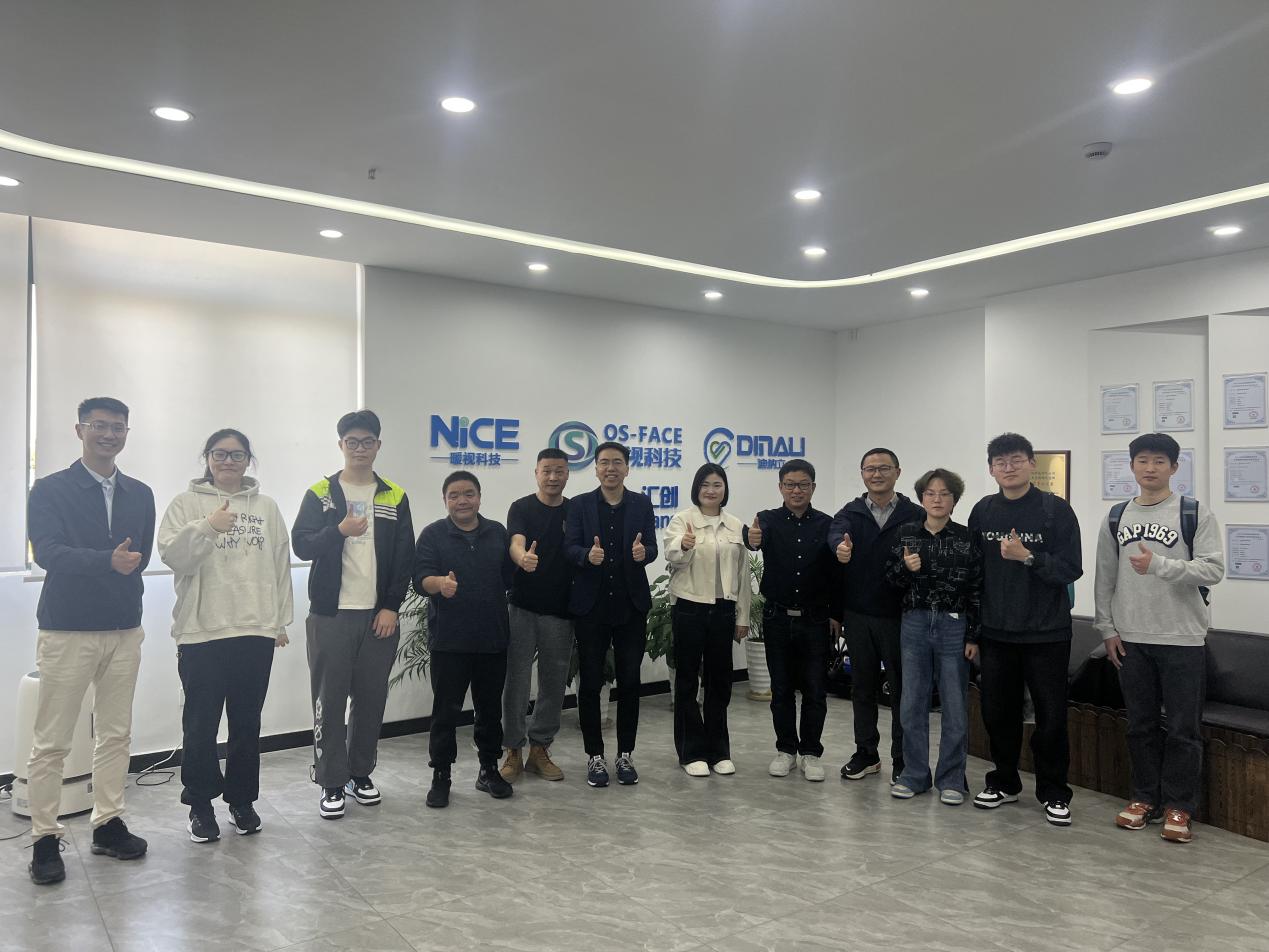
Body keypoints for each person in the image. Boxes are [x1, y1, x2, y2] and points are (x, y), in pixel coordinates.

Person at [26, 397, 155, 885]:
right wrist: (106, 561)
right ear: (80, 429)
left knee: (116, 733)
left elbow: (140, 557)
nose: (109, 434)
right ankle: (44, 837)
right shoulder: (50, 489)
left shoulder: (140, 493)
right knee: (52, 740)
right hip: (67, 628)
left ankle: (108, 822)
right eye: (99, 425)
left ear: (126, 433)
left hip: (124, 628)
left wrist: (117, 566)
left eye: (118, 427)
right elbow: (48, 553)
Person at [158, 429, 293, 842]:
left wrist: (278, 622)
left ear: (248, 460)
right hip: (201, 632)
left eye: (237, 455)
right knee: (200, 726)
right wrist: (208, 526)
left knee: (247, 724)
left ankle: (242, 801)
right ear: (208, 458)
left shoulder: (266, 507)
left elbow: (280, 565)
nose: (228, 461)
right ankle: (200, 806)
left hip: (254, 630)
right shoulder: (185, 504)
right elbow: (174, 557)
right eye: (220, 454)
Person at [1095, 433, 1224, 844]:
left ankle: (1179, 806)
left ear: (1174, 467)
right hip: (1131, 638)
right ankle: (1144, 798)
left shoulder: (1193, 512)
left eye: (1159, 461)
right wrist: (1107, 629)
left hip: (1182, 637)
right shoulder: (1116, 516)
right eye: (1142, 460)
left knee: (1184, 729)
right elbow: (1105, 577)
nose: (1150, 468)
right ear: (1132, 466)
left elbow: (1213, 570)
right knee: (1141, 726)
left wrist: (1161, 565)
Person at [292, 409, 414, 820]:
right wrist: (339, 531)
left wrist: (391, 606)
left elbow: (405, 557)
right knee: (328, 700)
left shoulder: (394, 496)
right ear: (341, 445)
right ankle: (330, 779)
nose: (359, 449)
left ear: (378, 445)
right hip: (331, 616)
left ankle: (360, 773)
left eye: (367, 442)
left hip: (379, 617)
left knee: (371, 699)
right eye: (352, 442)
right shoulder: (321, 494)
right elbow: (302, 545)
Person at [968, 432, 1082, 826]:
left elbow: (1071, 568)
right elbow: (975, 572)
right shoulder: (983, 512)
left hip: (1046, 633)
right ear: (991, 469)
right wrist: (973, 630)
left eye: (1016, 459)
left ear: (1032, 463)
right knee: (998, 714)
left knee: (1051, 717)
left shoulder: (1055, 510)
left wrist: (1028, 556)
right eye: (1000, 462)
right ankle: (1003, 782)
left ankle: (1054, 792)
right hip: (996, 632)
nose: (1009, 467)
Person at [415, 471, 516, 807]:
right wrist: (439, 584)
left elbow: (509, 578)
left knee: (489, 709)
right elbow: (420, 579)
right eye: (454, 495)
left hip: (492, 638)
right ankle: (441, 774)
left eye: (469, 494)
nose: (462, 501)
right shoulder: (433, 534)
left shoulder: (497, 532)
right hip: (450, 640)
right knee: (445, 712)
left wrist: (526, 562)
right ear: (445, 500)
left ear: (479, 497)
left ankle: (488, 769)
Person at [564, 441, 658, 788]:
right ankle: (595, 756)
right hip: (592, 608)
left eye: (617, 462)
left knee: (630, 682)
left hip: (631, 606)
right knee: (590, 683)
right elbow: (568, 548)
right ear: (596, 468)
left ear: (627, 468)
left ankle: (625, 755)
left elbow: (652, 546)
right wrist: (585, 556)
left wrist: (644, 554)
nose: (610, 468)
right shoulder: (579, 505)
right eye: (604, 462)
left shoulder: (641, 503)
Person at [884, 469, 982, 804]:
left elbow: (977, 588)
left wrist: (973, 635)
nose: (937, 499)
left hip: (954, 624)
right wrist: (905, 568)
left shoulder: (967, 537)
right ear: (921, 498)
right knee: (912, 702)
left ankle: (952, 779)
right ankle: (914, 775)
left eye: (944, 494)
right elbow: (889, 580)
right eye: (930, 493)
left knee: (954, 704)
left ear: (954, 500)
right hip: (914, 621)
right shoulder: (905, 534)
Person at [828, 448, 925, 784]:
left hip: (901, 617)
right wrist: (839, 548)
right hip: (859, 616)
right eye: (870, 469)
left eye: (884, 468)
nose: (877, 474)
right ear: (862, 474)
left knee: (902, 690)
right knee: (862, 688)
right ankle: (866, 753)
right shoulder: (851, 513)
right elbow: (835, 534)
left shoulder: (915, 514)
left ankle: (902, 759)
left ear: (898, 472)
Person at [745, 459, 840, 781]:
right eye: (790, 484)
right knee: (782, 689)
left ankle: (810, 753)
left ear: (813, 487)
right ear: (780, 487)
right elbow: (752, 539)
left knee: (815, 689)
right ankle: (785, 750)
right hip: (777, 617)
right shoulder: (767, 520)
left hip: (815, 619)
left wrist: (837, 614)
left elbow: (836, 573)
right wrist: (751, 539)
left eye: (803, 484)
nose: (796, 490)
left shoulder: (827, 524)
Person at [663, 463, 752, 776]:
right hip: (689, 607)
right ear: (696, 488)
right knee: (688, 680)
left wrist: (742, 616)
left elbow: (742, 574)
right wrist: (683, 546)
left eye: (717, 484)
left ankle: (718, 751)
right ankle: (690, 752)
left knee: (720, 681)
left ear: (725, 489)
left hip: (723, 609)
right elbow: (672, 558)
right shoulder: (682, 520)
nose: (711, 490)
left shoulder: (735, 525)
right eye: (705, 485)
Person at [500, 449, 574, 783]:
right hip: (523, 607)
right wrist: (521, 558)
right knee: (515, 679)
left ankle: (540, 749)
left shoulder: (575, 510)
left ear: (568, 473)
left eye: (559, 471)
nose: (553, 477)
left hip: (561, 610)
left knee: (553, 683)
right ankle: (513, 750)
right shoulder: (521, 507)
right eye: (547, 471)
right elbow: (515, 541)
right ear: (536, 473)